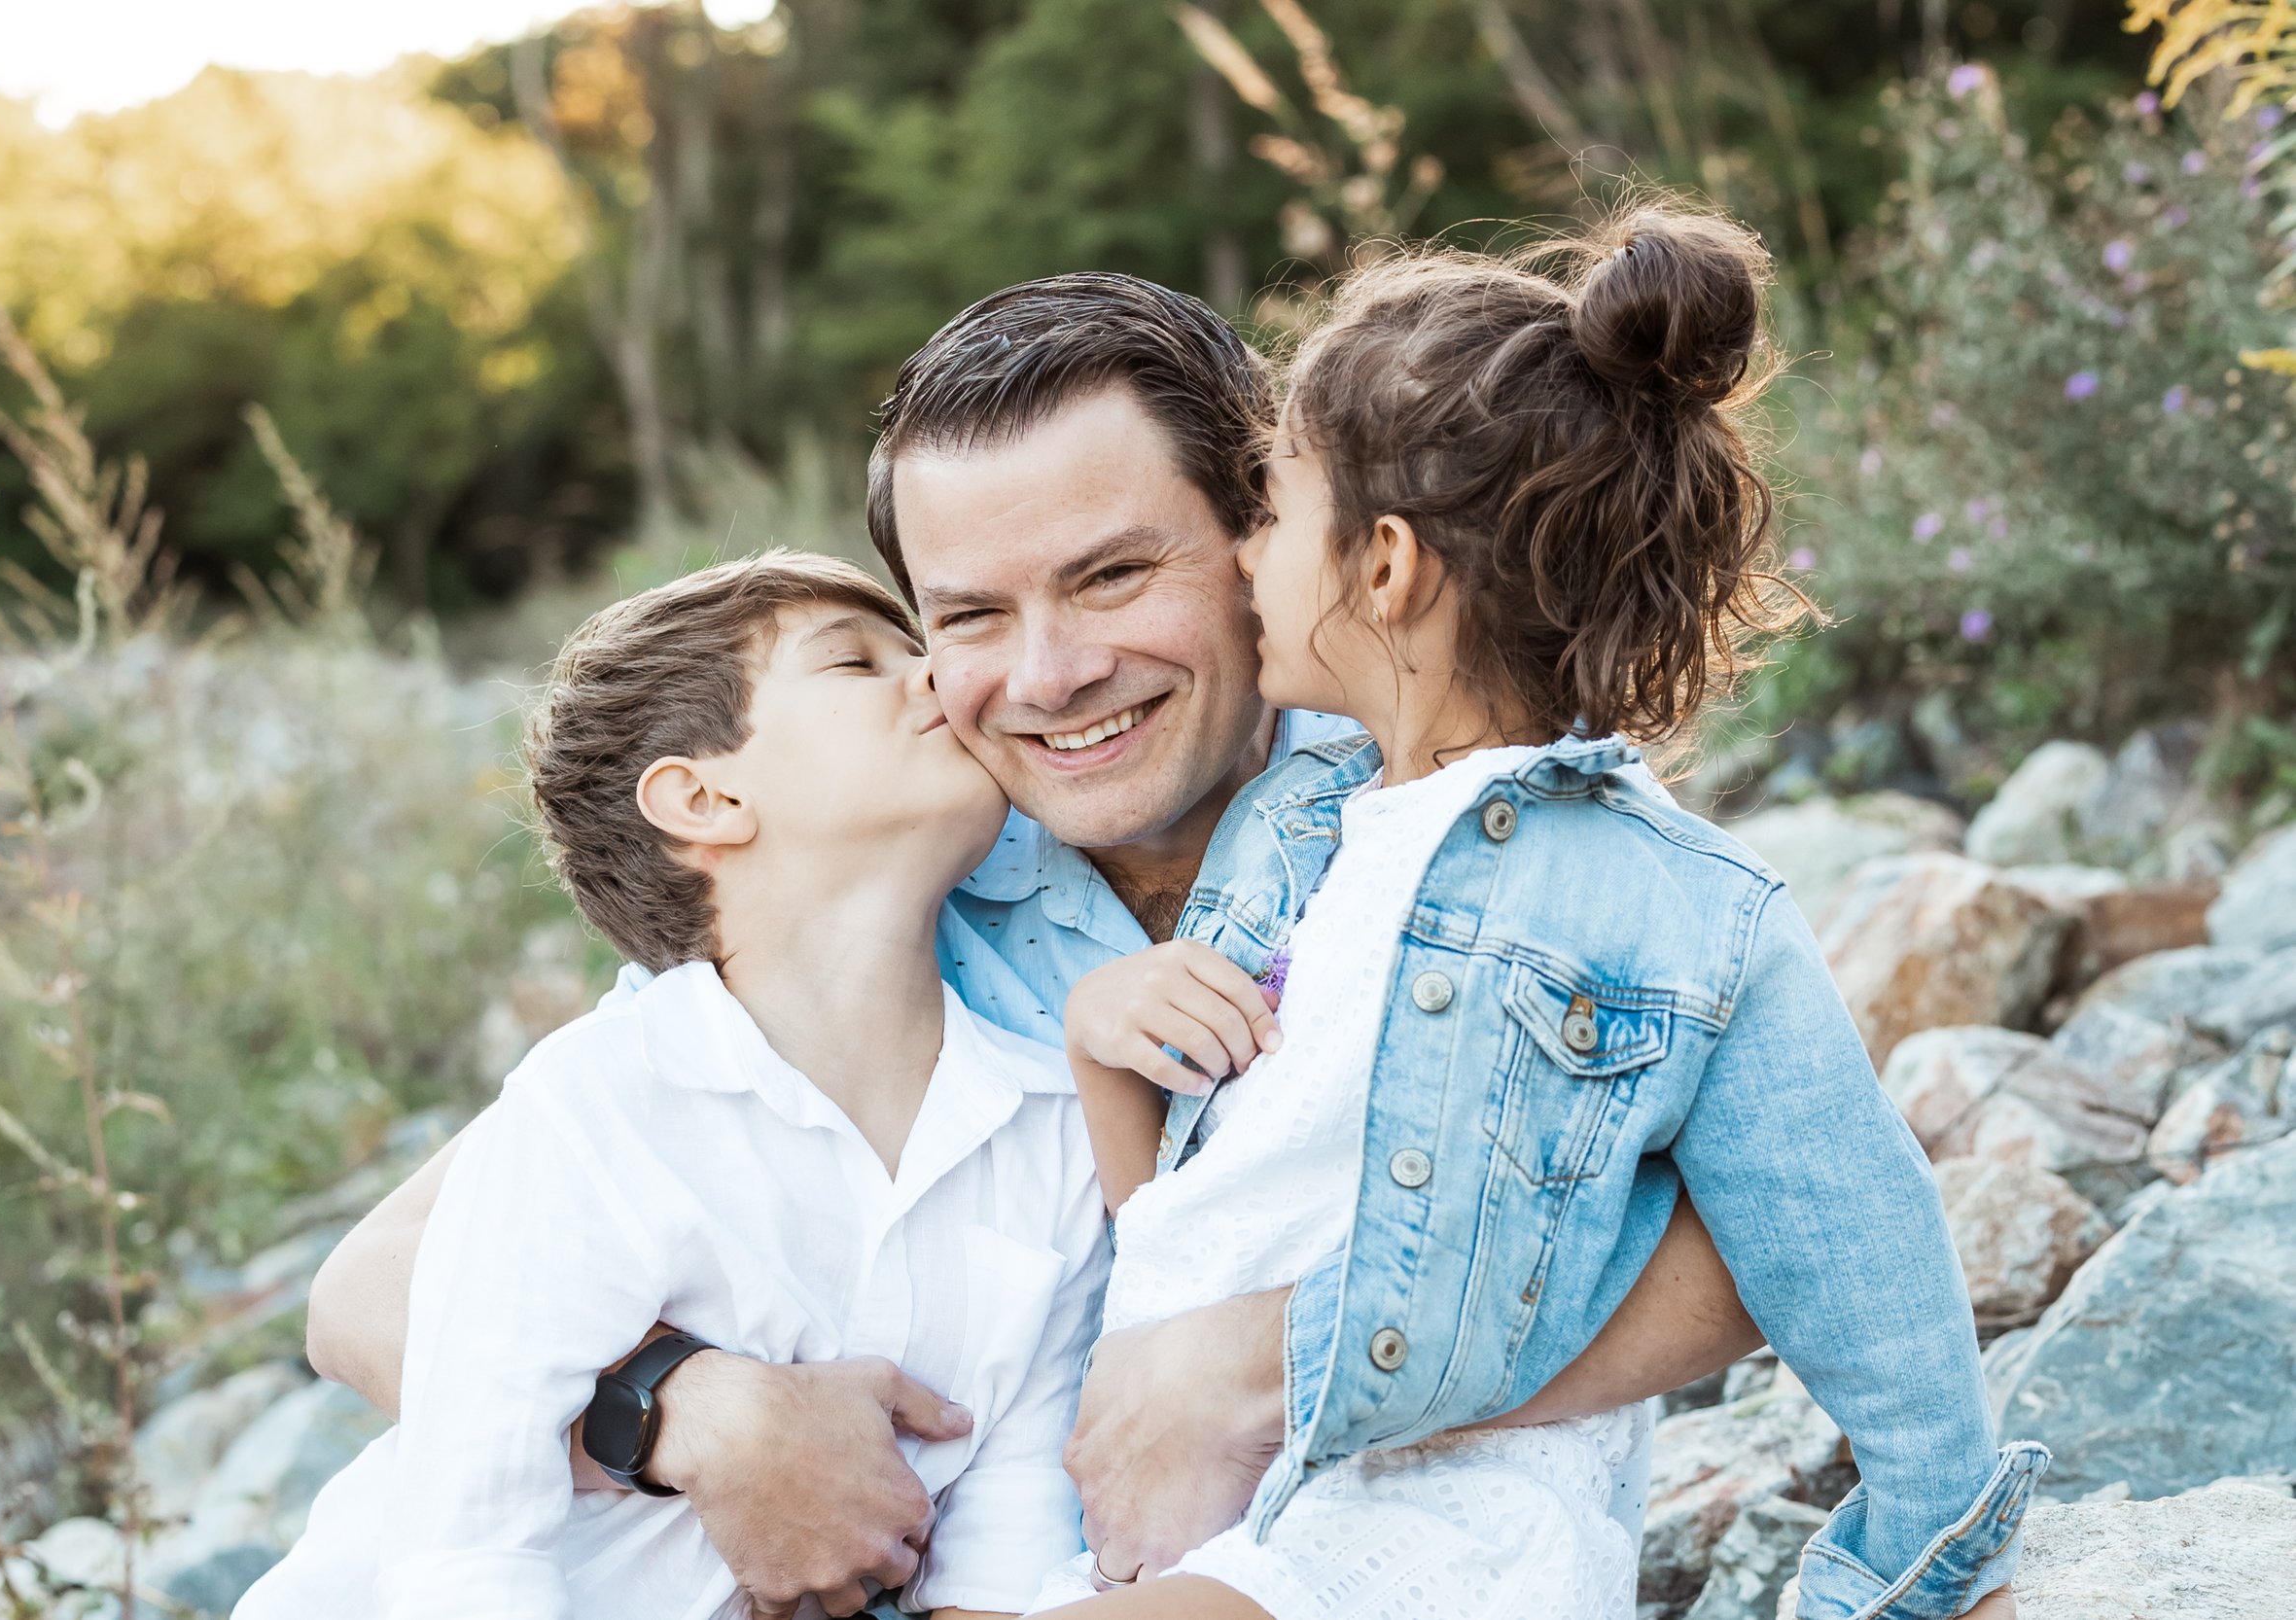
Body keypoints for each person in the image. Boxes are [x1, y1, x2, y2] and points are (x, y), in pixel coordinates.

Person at [303, 272, 1772, 1618]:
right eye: (967, 617)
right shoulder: (890, 873)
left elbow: (1772, 1235)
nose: (1052, 676)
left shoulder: (1461, 810)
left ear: (1262, 531)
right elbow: (373, 1291)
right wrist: (692, 1413)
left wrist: (1271, 1362)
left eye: (1114, 575)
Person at [1026, 210, 2041, 1620]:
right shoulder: (1294, 832)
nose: (1241, 553)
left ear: (1382, 566)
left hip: (1433, 1524)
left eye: (1270, 509)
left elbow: (1853, 1228)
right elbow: (1213, 1202)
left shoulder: (1676, 902)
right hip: (1214, 1497)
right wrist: (1102, 1053)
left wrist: (1932, 1545)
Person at [236, 554, 1111, 1620]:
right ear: (703, 795)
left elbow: (1007, 1523)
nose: (937, 675)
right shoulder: (599, 1102)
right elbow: (465, 1544)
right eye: (855, 662)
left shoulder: (1052, 1124)